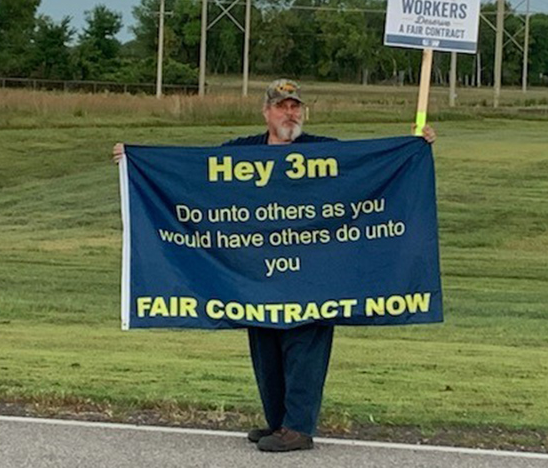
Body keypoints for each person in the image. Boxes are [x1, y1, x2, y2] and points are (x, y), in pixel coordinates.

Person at [112, 79, 436, 452]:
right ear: (266, 112)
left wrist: (414, 147)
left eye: (295, 106)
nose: (290, 113)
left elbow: (368, 167)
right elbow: (194, 173)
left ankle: (298, 427)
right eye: (282, 106)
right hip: (258, 274)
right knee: (265, 347)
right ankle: (278, 421)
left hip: (314, 275)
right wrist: (136, 162)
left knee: (304, 347)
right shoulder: (243, 153)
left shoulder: (324, 151)